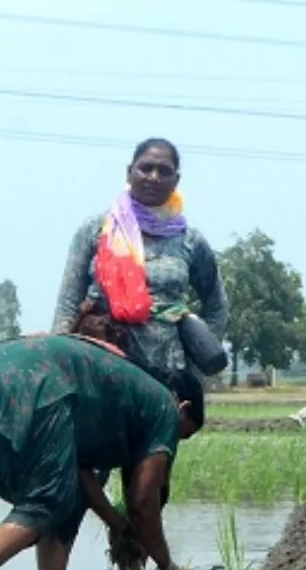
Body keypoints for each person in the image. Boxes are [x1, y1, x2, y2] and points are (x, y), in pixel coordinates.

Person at [0, 332, 205, 570]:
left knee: (67, 499)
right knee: (48, 499)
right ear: (183, 408)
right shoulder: (164, 406)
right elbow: (142, 500)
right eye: (180, 436)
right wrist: (167, 567)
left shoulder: (126, 397)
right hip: (37, 379)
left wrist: (118, 525)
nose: (169, 447)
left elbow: (79, 474)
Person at [52, 138, 227, 385]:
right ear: (129, 172)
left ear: (176, 181)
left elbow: (217, 305)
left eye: (164, 171)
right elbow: (68, 302)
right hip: (98, 366)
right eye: (145, 168)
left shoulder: (190, 240)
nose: (153, 177)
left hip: (166, 372)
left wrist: (197, 367)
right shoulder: (96, 229)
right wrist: (60, 363)